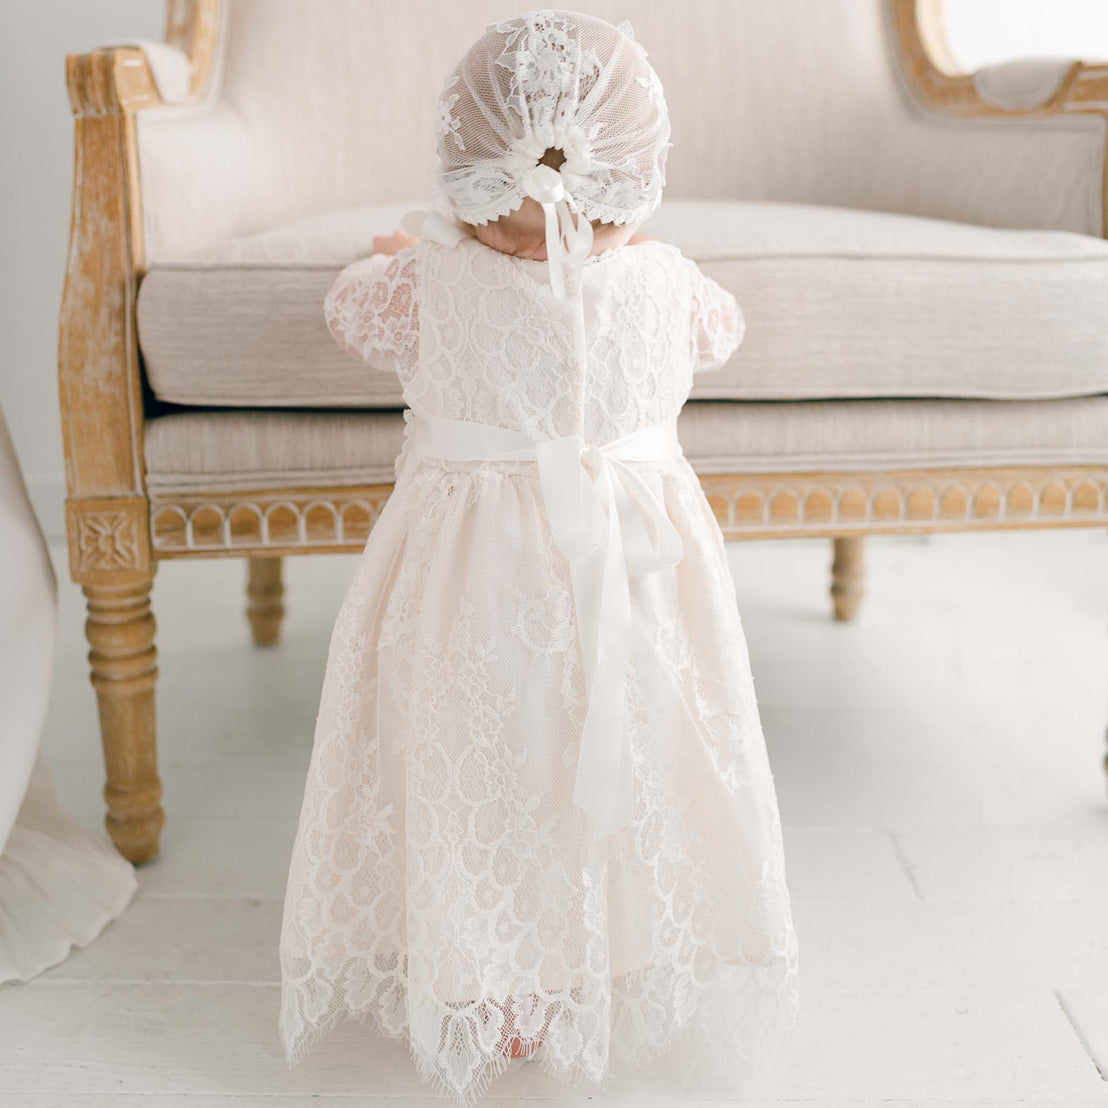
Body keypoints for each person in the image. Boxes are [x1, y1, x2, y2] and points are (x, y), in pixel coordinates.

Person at [279, 11, 798, 1103]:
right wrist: (638, 262)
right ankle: (633, 947)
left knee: (486, 771)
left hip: (474, 593)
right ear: (631, 176)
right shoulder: (666, 281)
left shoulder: (424, 280)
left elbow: (347, 315)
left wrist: (401, 253)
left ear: (463, 174)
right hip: (635, 583)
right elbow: (724, 330)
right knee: (634, 763)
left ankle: (498, 983)